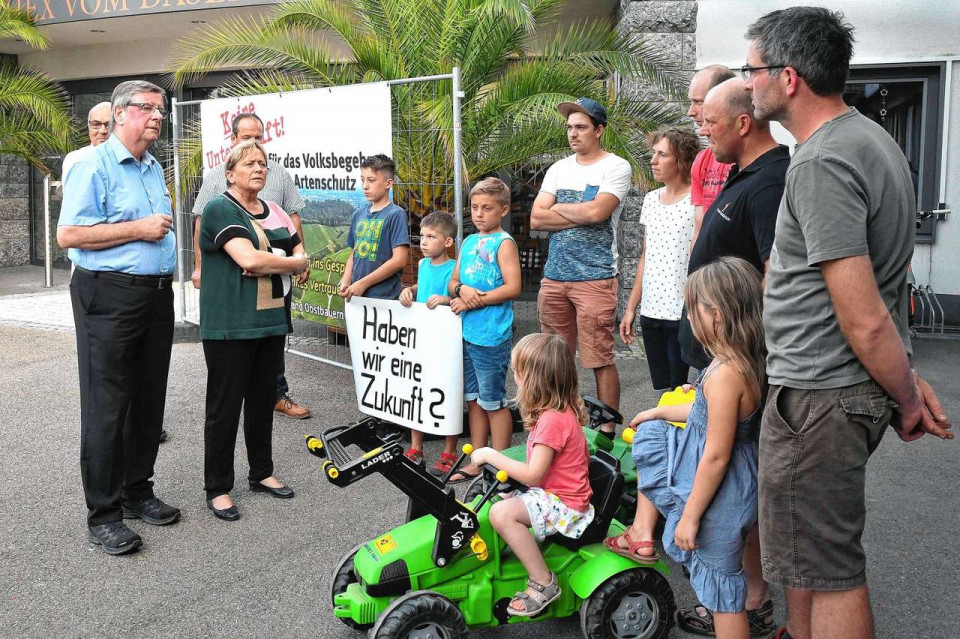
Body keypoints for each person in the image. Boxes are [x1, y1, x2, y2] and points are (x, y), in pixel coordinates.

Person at [743, 8, 953, 639]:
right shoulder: (867, 139)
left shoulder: (823, 161)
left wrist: (908, 396)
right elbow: (882, 300)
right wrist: (905, 383)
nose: (746, 82)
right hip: (830, 392)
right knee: (809, 562)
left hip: (822, 396)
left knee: (830, 568)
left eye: (751, 70)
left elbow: (863, 316)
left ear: (787, 77)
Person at [57, 80, 180, 555]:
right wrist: (140, 230)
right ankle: (104, 514)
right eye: (147, 108)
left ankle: (137, 492)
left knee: (148, 399)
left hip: (154, 296)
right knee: (108, 404)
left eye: (160, 110)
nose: (156, 117)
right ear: (121, 113)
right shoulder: (92, 164)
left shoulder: (152, 166)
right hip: (107, 295)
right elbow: (69, 234)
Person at [625, 257, 766, 639]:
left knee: (723, 595)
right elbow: (705, 413)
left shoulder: (724, 375)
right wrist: (657, 411)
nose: (688, 317)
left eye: (692, 309)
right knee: (724, 584)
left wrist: (690, 515)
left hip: (722, 495)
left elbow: (717, 453)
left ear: (716, 315)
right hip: (740, 480)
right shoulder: (742, 362)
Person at [198, 139, 309, 521]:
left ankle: (261, 473)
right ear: (229, 174)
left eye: (262, 163)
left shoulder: (275, 209)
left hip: (271, 321)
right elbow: (248, 258)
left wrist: (276, 262)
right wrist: (281, 261)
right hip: (230, 326)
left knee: (263, 402)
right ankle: (218, 488)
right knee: (225, 408)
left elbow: (300, 256)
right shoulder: (218, 209)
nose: (258, 168)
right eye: (249, 164)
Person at [191, 113, 312, 420]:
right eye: (246, 137)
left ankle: (276, 394)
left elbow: (291, 218)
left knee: (273, 341)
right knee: (232, 385)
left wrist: (299, 257)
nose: (254, 144)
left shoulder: (278, 175)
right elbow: (201, 223)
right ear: (232, 141)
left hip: (274, 284)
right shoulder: (217, 181)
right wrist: (199, 266)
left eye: (259, 137)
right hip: (238, 292)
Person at [469, 332, 594, 617]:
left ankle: (543, 581)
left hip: (564, 503)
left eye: (517, 372)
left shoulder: (552, 420)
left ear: (533, 379)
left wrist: (491, 454)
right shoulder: (556, 411)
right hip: (553, 492)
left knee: (501, 513)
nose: (514, 376)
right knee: (492, 496)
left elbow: (534, 475)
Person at [531, 97, 632, 437]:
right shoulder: (559, 169)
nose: (573, 134)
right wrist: (583, 213)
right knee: (554, 361)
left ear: (599, 130)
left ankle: (605, 430)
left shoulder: (616, 167)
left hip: (596, 277)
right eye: (570, 127)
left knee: (599, 357)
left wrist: (560, 210)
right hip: (554, 277)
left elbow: (598, 214)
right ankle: (563, 426)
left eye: (581, 127)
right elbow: (535, 218)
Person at [447, 178, 522, 483]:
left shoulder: (504, 243)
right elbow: (453, 282)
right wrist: (462, 290)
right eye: (475, 207)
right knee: (473, 398)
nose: (478, 214)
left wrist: (473, 302)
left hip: (491, 335)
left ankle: (501, 463)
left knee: (493, 400)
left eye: (487, 208)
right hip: (466, 333)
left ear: (502, 210)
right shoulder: (467, 242)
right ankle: (478, 458)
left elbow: (513, 287)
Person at [620, 126, 700, 391]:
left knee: (681, 388)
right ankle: (662, 433)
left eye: (661, 154)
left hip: (682, 311)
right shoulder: (651, 200)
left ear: (682, 160)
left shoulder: (697, 202)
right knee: (662, 389)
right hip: (652, 310)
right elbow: (646, 255)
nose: (652, 161)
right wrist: (632, 308)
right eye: (653, 153)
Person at [399, 211, 458, 474]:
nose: (423, 241)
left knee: (446, 391)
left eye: (431, 236)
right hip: (421, 338)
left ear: (447, 242)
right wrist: (408, 291)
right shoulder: (422, 265)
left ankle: (450, 450)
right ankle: (416, 447)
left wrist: (444, 300)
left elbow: (454, 295)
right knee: (417, 390)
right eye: (422, 236)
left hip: (443, 341)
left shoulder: (453, 268)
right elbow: (420, 287)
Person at [338, 154, 410, 303]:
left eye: (371, 180)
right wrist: (346, 280)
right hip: (357, 296)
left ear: (388, 183)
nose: (365, 186)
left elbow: (400, 260)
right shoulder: (358, 214)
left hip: (383, 299)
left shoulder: (396, 214)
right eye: (362, 180)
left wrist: (364, 283)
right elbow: (354, 252)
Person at [686, 65, 737, 251]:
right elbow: (700, 227)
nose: (691, 112)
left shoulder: (751, 161)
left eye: (698, 102)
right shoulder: (702, 160)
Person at [61, 101, 111, 185]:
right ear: (89, 128)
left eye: (109, 125)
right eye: (96, 124)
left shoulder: (132, 160)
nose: (103, 131)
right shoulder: (75, 160)